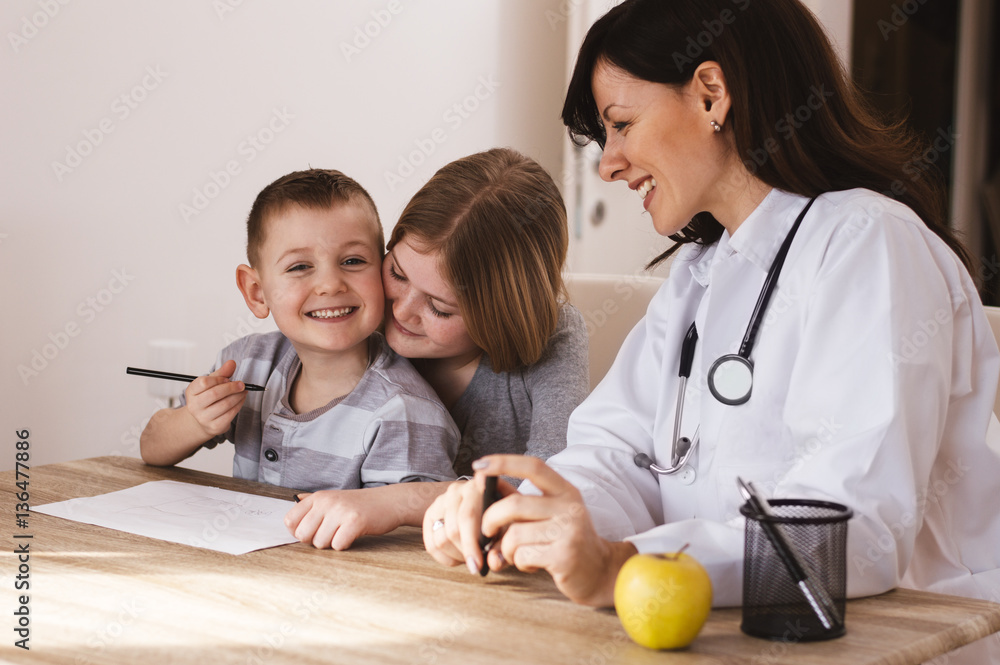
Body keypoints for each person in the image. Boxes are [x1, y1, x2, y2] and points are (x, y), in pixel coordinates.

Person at [423, 1, 1000, 662]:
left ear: (710, 94)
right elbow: (618, 454)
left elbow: (849, 529)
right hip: (737, 639)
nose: (608, 165)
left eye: (620, 124)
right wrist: (519, 513)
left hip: (909, 644)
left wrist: (623, 564)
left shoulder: (870, 242)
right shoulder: (698, 277)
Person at [284, 148, 590, 549]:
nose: (402, 311)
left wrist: (400, 501)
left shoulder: (555, 334)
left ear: (501, 316)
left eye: (439, 308)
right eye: (397, 272)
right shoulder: (355, 314)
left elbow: (554, 483)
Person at [140, 168, 459, 495]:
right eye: (300, 267)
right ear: (256, 292)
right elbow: (151, 448)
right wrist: (195, 421)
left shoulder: (403, 412)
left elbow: (413, 532)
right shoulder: (248, 363)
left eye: (352, 261)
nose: (330, 284)